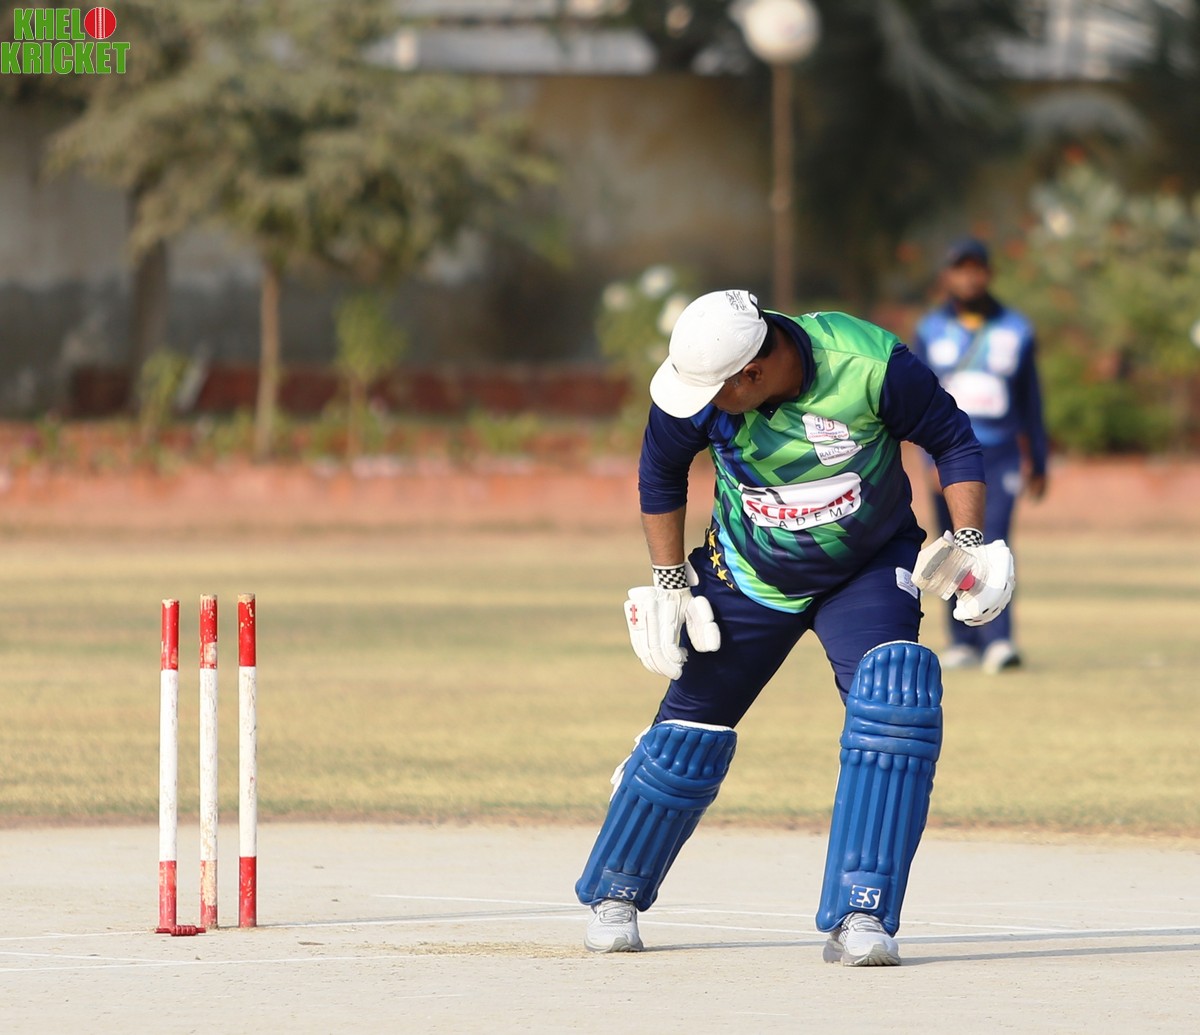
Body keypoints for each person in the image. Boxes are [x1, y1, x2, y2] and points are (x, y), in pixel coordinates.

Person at [575, 289, 1014, 966]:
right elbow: (660, 474)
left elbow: (952, 439)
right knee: (687, 731)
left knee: (895, 706)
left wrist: (972, 542)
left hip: (868, 567)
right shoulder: (698, 390)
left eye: (715, 392)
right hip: (747, 573)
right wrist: (669, 582)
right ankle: (616, 893)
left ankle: (862, 913)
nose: (701, 404)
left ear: (751, 373)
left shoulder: (868, 364)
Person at [912, 237, 1048, 674]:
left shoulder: (1017, 329)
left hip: (1000, 451)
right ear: (947, 276)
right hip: (947, 453)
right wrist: (928, 461)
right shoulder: (930, 329)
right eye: (960, 268)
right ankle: (962, 639)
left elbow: (1030, 400)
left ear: (989, 274)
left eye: (976, 268)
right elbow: (916, 400)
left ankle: (999, 639)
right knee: (954, 544)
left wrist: (1039, 460)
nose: (968, 277)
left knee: (994, 540)